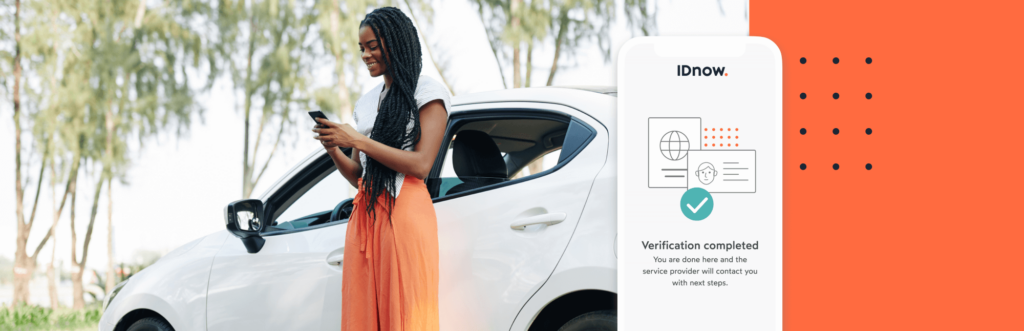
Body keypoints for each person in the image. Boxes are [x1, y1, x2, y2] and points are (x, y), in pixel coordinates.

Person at [312, 7, 449, 331]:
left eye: (372, 45)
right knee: (362, 312)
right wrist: (334, 147)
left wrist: (357, 139)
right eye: (362, 48)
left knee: (404, 312)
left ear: (395, 42)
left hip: (404, 210)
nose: (365, 54)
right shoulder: (366, 101)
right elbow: (359, 176)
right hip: (367, 214)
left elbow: (421, 164)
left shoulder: (427, 91)